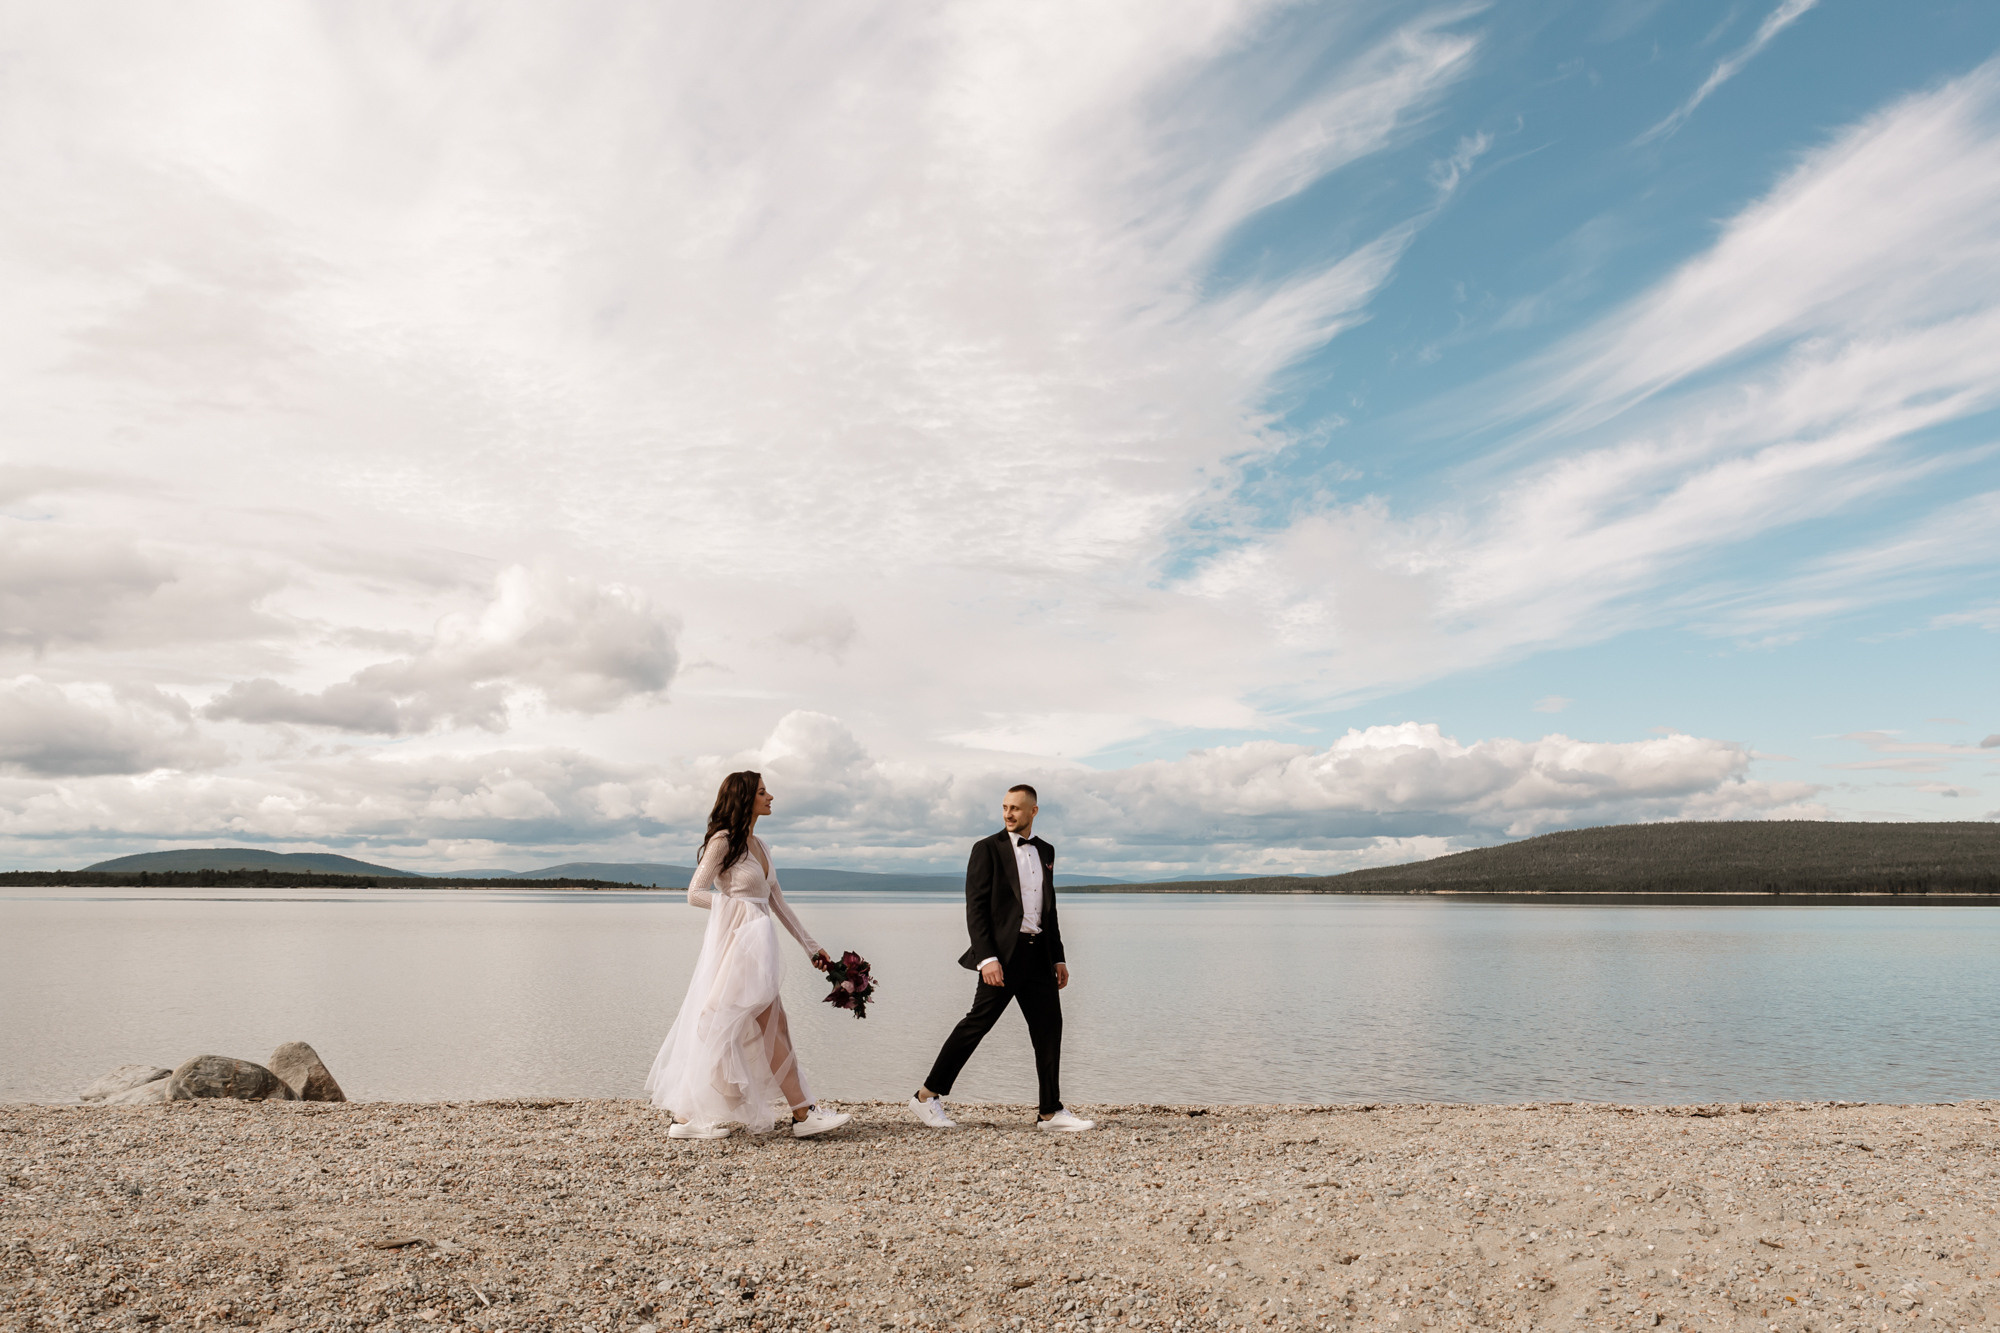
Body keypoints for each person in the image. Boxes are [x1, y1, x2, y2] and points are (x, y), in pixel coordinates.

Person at [646, 770, 851, 1139]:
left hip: (760, 947)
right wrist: (736, 909)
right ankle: (798, 1114)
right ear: (745, 798)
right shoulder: (723, 842)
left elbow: (777, 903)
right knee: (722, 1023)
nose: (770, 796)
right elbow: (694, 893)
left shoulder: (761, 845)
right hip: (739, 944)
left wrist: (811, 946)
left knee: (767, 1024)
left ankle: (797, 1112)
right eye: (762, 792)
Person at [910, 784, 1095, 1131]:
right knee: (976, 1025)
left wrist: (1058, 957)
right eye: (1005, 808)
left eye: (1016, 808)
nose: (1009, 814)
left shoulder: (1047, 851)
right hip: (1003, 960)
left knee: (1049, 1029)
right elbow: (975, 909)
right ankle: (925, 1096)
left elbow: (1048, 909)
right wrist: (986, 959)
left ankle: (1049, 1112)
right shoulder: (986, 849)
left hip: (1039, 955)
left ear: (1033, 811)